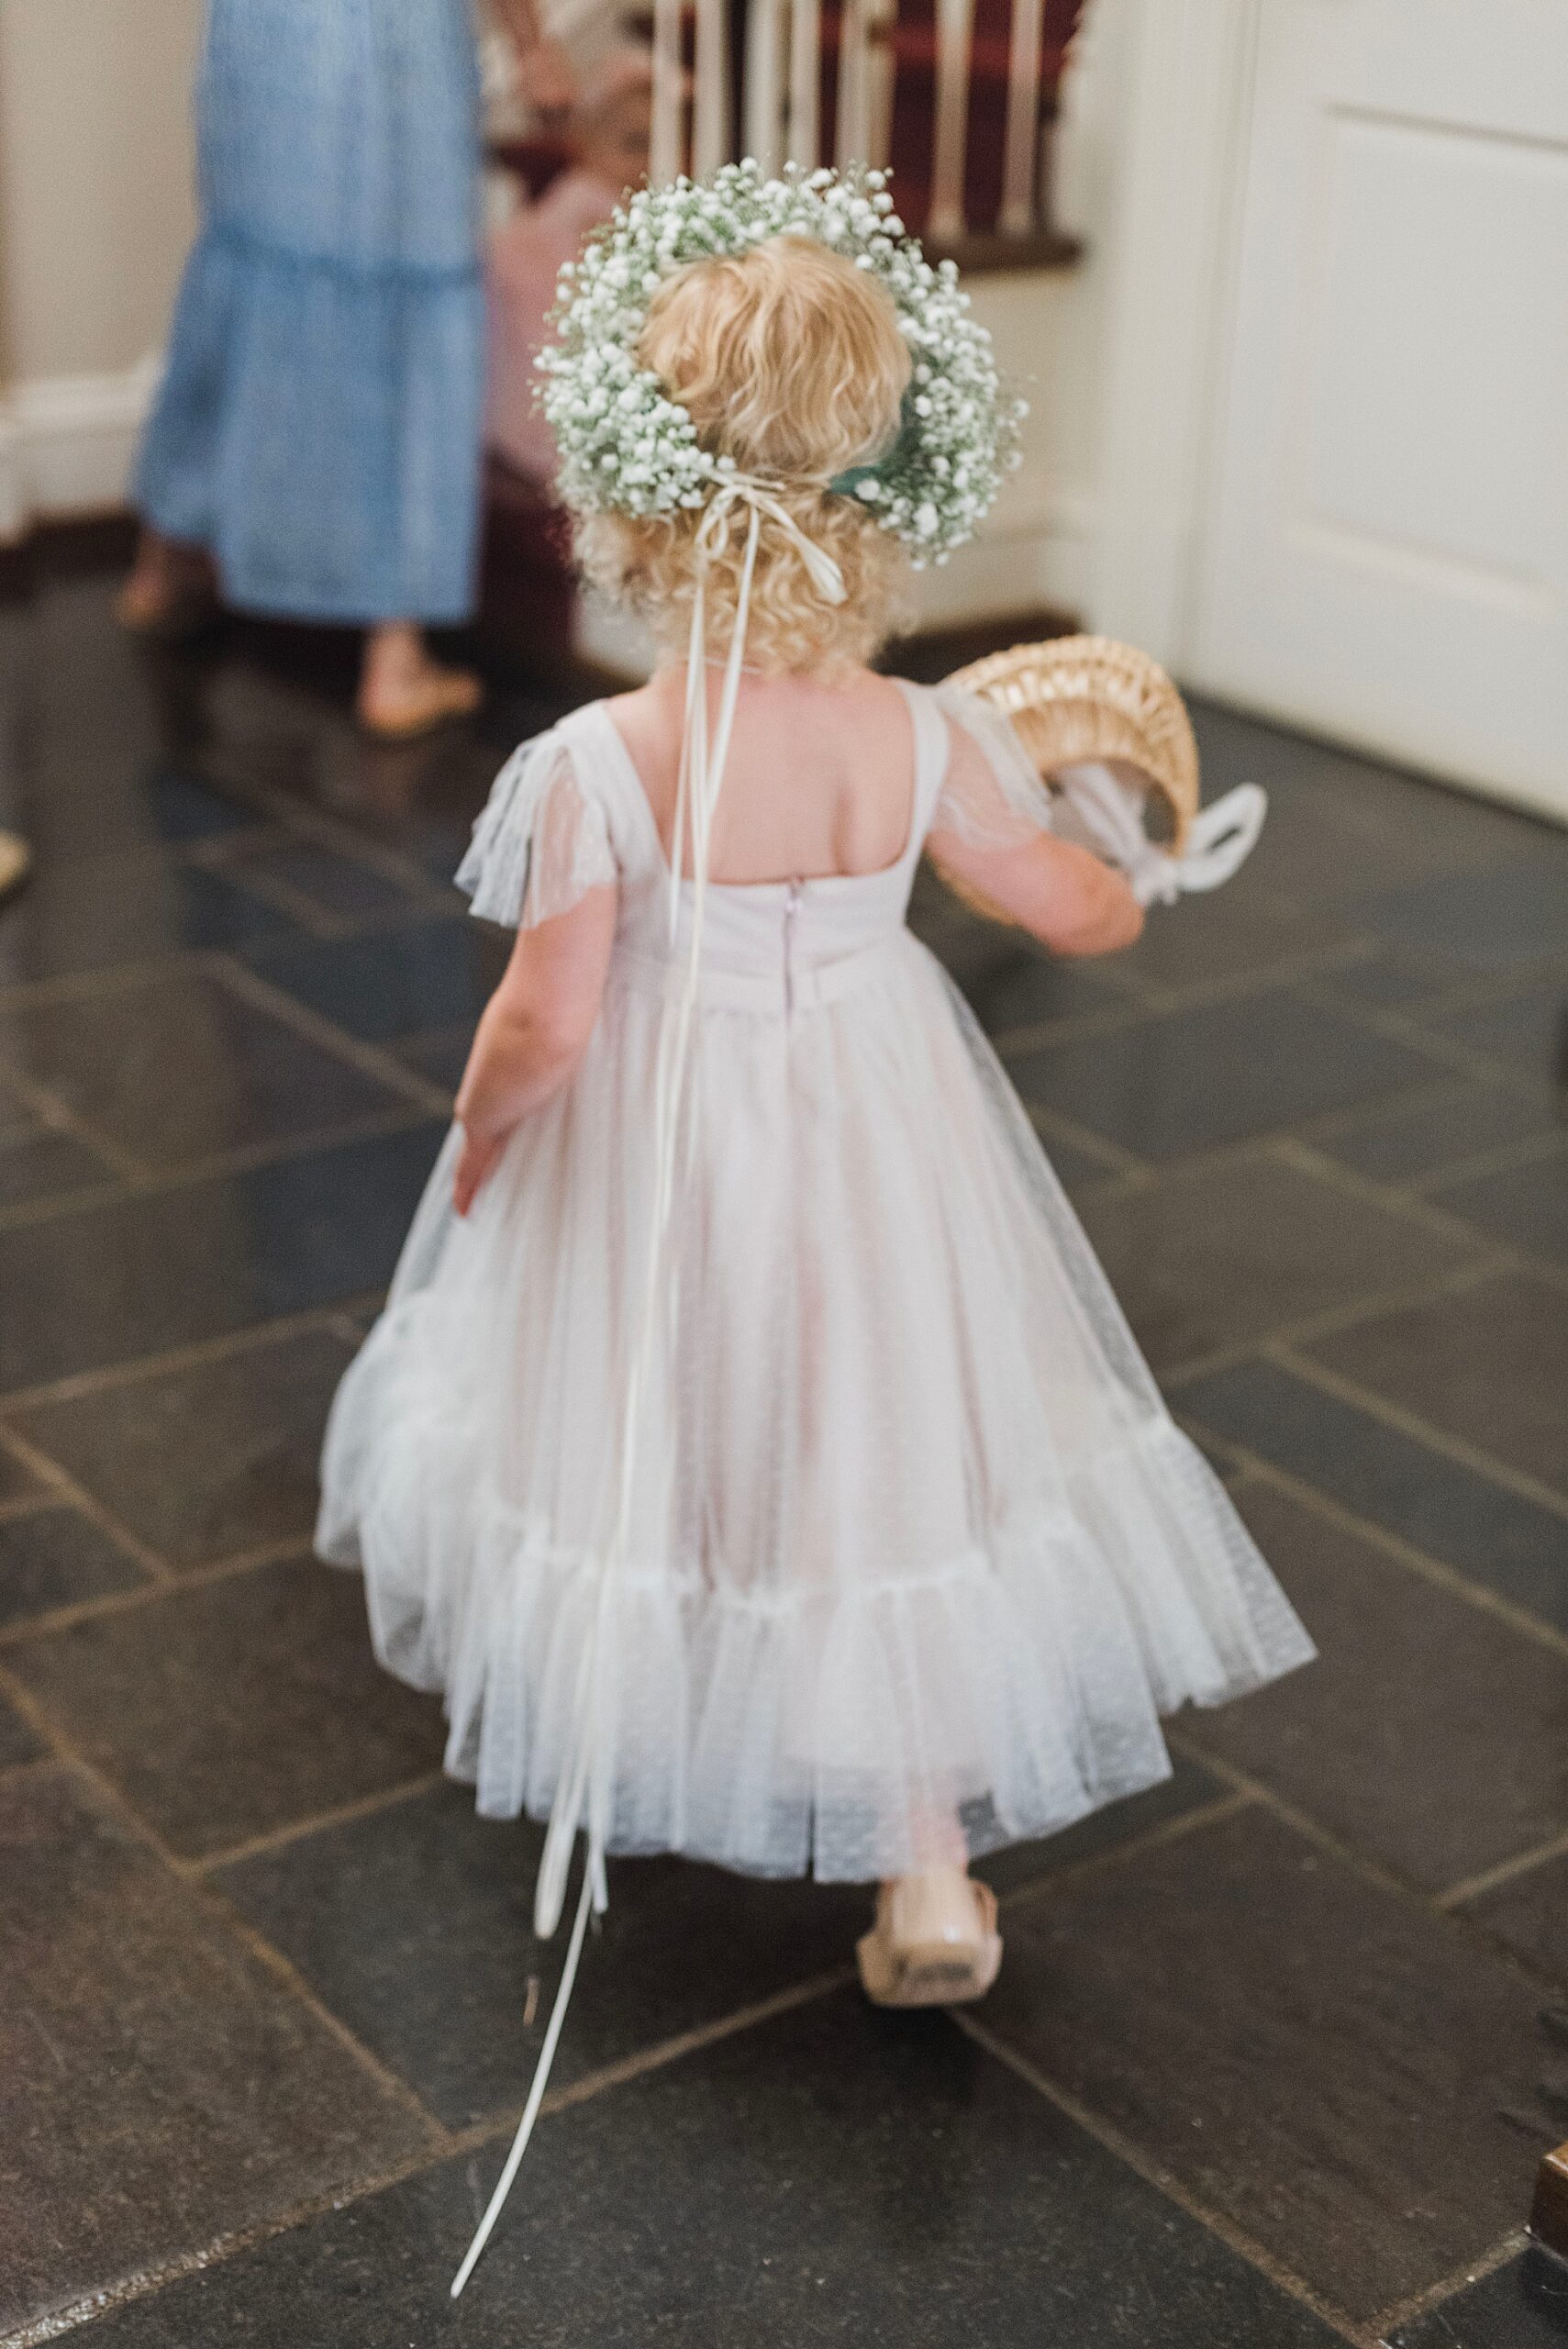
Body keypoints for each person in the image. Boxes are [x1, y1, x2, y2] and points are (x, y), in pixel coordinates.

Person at [317, 171, 1311, 2086]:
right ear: (880, 470)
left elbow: (544, 1014)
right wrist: (1132, 870)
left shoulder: (601, 759)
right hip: (875, 1121)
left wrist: (479, 1139)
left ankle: (628, 1719)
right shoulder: (924, 735)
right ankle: (926, 1867)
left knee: (664, 1396)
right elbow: (1062, 907)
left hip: (664, 1137)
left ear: (629, 480)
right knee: (873, 1430)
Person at [121, 0, 574, 738]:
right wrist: (531, 44)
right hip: (393, 39)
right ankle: (395, 658)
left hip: (264, 29)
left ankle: (163, 565)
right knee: (404, 288)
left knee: (248, 260)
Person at [486, 49, 656, 484]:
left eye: (661, 146)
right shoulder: (588, 217)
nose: (646, 164)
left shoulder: (632, 212)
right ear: (586, 145)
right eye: (633, 145)